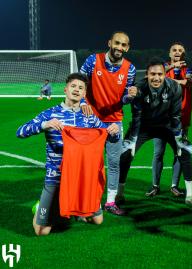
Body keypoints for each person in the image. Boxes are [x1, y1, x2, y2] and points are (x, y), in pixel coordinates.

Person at [16, 73, 120, 236]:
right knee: (42, 231)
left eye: (81, 88)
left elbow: (110, 136)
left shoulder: (89, 117)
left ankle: (76, 209)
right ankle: (41, 206)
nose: (77, 90)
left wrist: (114, 131)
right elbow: (20, 132)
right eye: (73, 86)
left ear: (84, 94)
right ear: (65, 89)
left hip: (82, 177)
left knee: (97, 221)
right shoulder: (50, 114)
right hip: (56, 176)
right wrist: (44, 125)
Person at [119, 58, 192, 209]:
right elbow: (136, 115)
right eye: (152, 74)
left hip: (167, 125)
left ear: (165, 74)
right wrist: (131, 140)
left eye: (159, 74)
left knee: (184, 151)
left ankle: (190, 196)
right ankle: (120, 193)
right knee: (126, 154)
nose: (156, 78)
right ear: (147, 75)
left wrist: (178, 138)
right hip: (144, 126)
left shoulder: (174, 87)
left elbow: (176, 115)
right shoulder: (139, 88)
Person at [80, 31, 137, 215]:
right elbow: (79, 82)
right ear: (109, 42)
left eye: (123, 45)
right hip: (91, 121)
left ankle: (110, 202)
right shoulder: (92, 60)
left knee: (114, 163)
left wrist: (130, 96)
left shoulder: (130, 68)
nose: (119, 47)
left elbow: (124, 99)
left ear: (127, 48)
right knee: (90, 162)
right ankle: (88, 200)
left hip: (114, 122)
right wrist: (82, 102)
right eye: (117, 43)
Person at [146, 42, 192, 197]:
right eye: (174, 50)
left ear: (184, 53)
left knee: (179, 152)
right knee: (158, 152)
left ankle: (174, 186)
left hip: (180, 118)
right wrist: (171, 67)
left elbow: (187, 82)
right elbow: (152, 78)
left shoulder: (189, 69)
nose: (177, 52)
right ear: (169, 53)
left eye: (181, 50)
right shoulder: (163, 69)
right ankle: (155, 185)